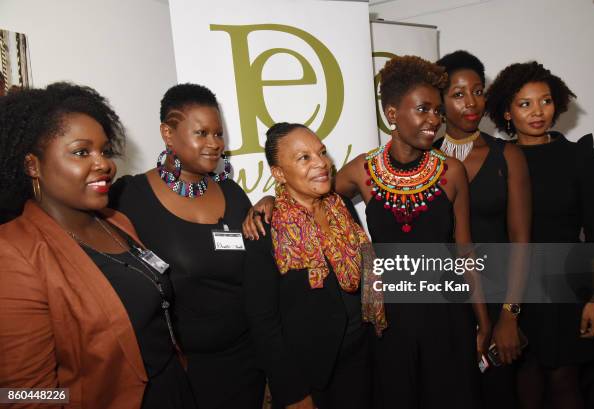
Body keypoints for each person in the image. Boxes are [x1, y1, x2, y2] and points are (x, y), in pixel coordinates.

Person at [245, 55, 490, 409]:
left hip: (445, 314)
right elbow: (314, 195)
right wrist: (268, 197)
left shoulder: (452, 171)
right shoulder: (363, 169)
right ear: (393, 114)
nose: (434, 120)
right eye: (423, 109)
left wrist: (484, 322)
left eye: (438, 111)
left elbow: (466, 251)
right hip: (389, 321)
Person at [0, 83, 196, 409]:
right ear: (33, 165)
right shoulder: (13, 254)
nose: (103, 164)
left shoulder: (116, 222)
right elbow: (22, 395)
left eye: (105, 151)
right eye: (81, 152)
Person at [109, 83, 265, 409]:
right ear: (168, 133)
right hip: (180, 371)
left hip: (246, 362)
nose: (214, 144)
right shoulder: (129, 198)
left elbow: (258, 275)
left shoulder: (233, 194)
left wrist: (273, 202)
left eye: (219, 134)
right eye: (202, 133)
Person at [486, 61, 594, 409]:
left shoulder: (579, 157)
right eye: (525, 104)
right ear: (507, 113)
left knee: (564, 380)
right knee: (524, 378)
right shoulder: (497, 161)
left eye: (545, 101)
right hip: (516, 287)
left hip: (569, 287)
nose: (537, 112)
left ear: (557, 103)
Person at [243, 122, 380, 409]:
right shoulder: (266, 229)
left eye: (322, 152)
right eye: (304, 157)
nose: (322, 163)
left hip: (362, 362)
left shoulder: (341, 204)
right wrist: (292, 392)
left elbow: (367, 276)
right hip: (309, 378)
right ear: (279, 173)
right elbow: (264, 323)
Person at [435, 50, 532, 409]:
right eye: (458, 94)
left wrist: (510, 314)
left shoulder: (507, 156)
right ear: (440, 102)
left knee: (497, 396)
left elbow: (522, 241)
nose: (471, 102)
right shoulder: (423, 159)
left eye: (478, 90)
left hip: (498, 299)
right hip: (443, 303)